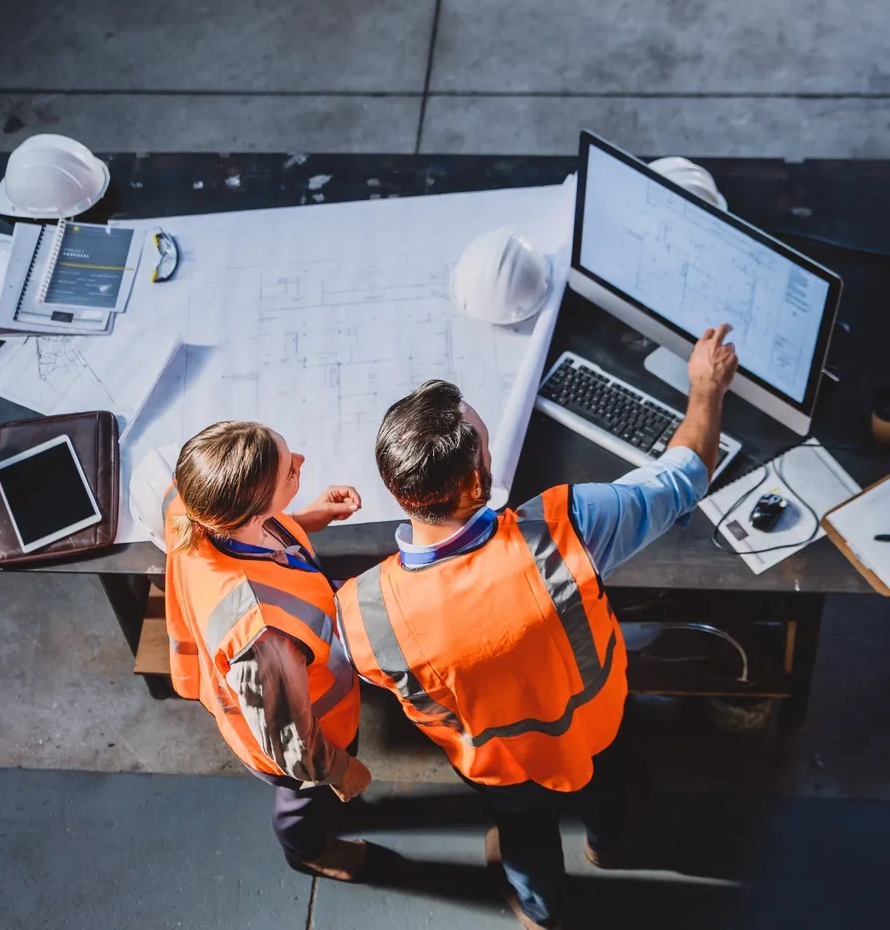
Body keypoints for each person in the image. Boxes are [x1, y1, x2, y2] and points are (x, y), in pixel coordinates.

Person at [337, 326, 739, 929]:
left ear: (397, 492)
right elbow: (682, 478)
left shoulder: (361, 612)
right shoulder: (566, 527)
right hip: (597, 730)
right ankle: (609, 845)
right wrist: (706, 390)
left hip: (500, 767)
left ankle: (540, 910)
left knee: (522, 835)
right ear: (479, 479)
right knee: (610, 793)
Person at [162, 420, 388, 881]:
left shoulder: (191, 505)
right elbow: (288, 741)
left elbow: (258, 534)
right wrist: (339, 768)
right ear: (249, 513)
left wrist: (305, 518)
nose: (301, 462)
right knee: (303, 801)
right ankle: (306, 851)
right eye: (290, 470)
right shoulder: (263, 634)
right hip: (309, 735)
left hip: (293, 699)